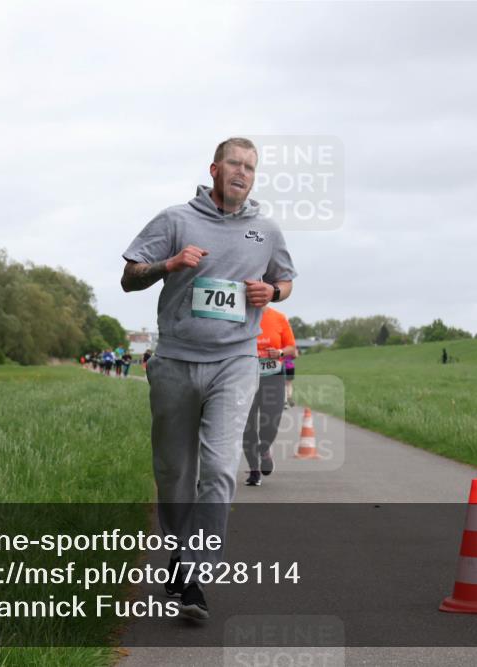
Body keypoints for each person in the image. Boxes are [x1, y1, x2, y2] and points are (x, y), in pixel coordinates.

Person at [120, 137, 296, 619]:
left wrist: (272, 292)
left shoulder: (266, 230)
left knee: (219, 468)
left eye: (250, 168)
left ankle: (195, 573)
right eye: (234, 164)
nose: (242, 173)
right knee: (174, 472)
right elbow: (129, 278)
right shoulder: (176, 220)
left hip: (234, 362)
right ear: (214, 169)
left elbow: (285, 280)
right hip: (175, 361)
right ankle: (179, 553)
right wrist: (169, 264)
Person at [243, 306, 297, 486]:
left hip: (273, 378)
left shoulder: (278, 318)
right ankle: (254, 471)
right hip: (245, 379)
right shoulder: (239, 314)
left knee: (272, 421)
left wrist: (280, 353)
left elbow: (292, 349)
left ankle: (264, 449)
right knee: (247, 427)